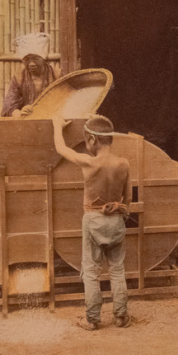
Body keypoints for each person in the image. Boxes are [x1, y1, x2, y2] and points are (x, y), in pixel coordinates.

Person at [52, 113, 131, 331]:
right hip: (116, 220)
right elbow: (128, 199)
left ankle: (93, 319)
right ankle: (121, 316)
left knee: (91, 272)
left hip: (93, 222)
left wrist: (57, 125)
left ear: (93, 139)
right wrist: (118, 212)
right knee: (117, 270)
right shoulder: (124, 164)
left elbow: (61, 148)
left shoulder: (88, 162)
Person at [1, 32, 61, 117]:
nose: (31, 63)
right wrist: (19, 112)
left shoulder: (57, 75)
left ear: (44, 58)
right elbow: (8, 105)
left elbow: (66, 100)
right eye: (26, 59)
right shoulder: (19, 78)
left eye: (36, 58)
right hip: (27, 120)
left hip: (53, 118)